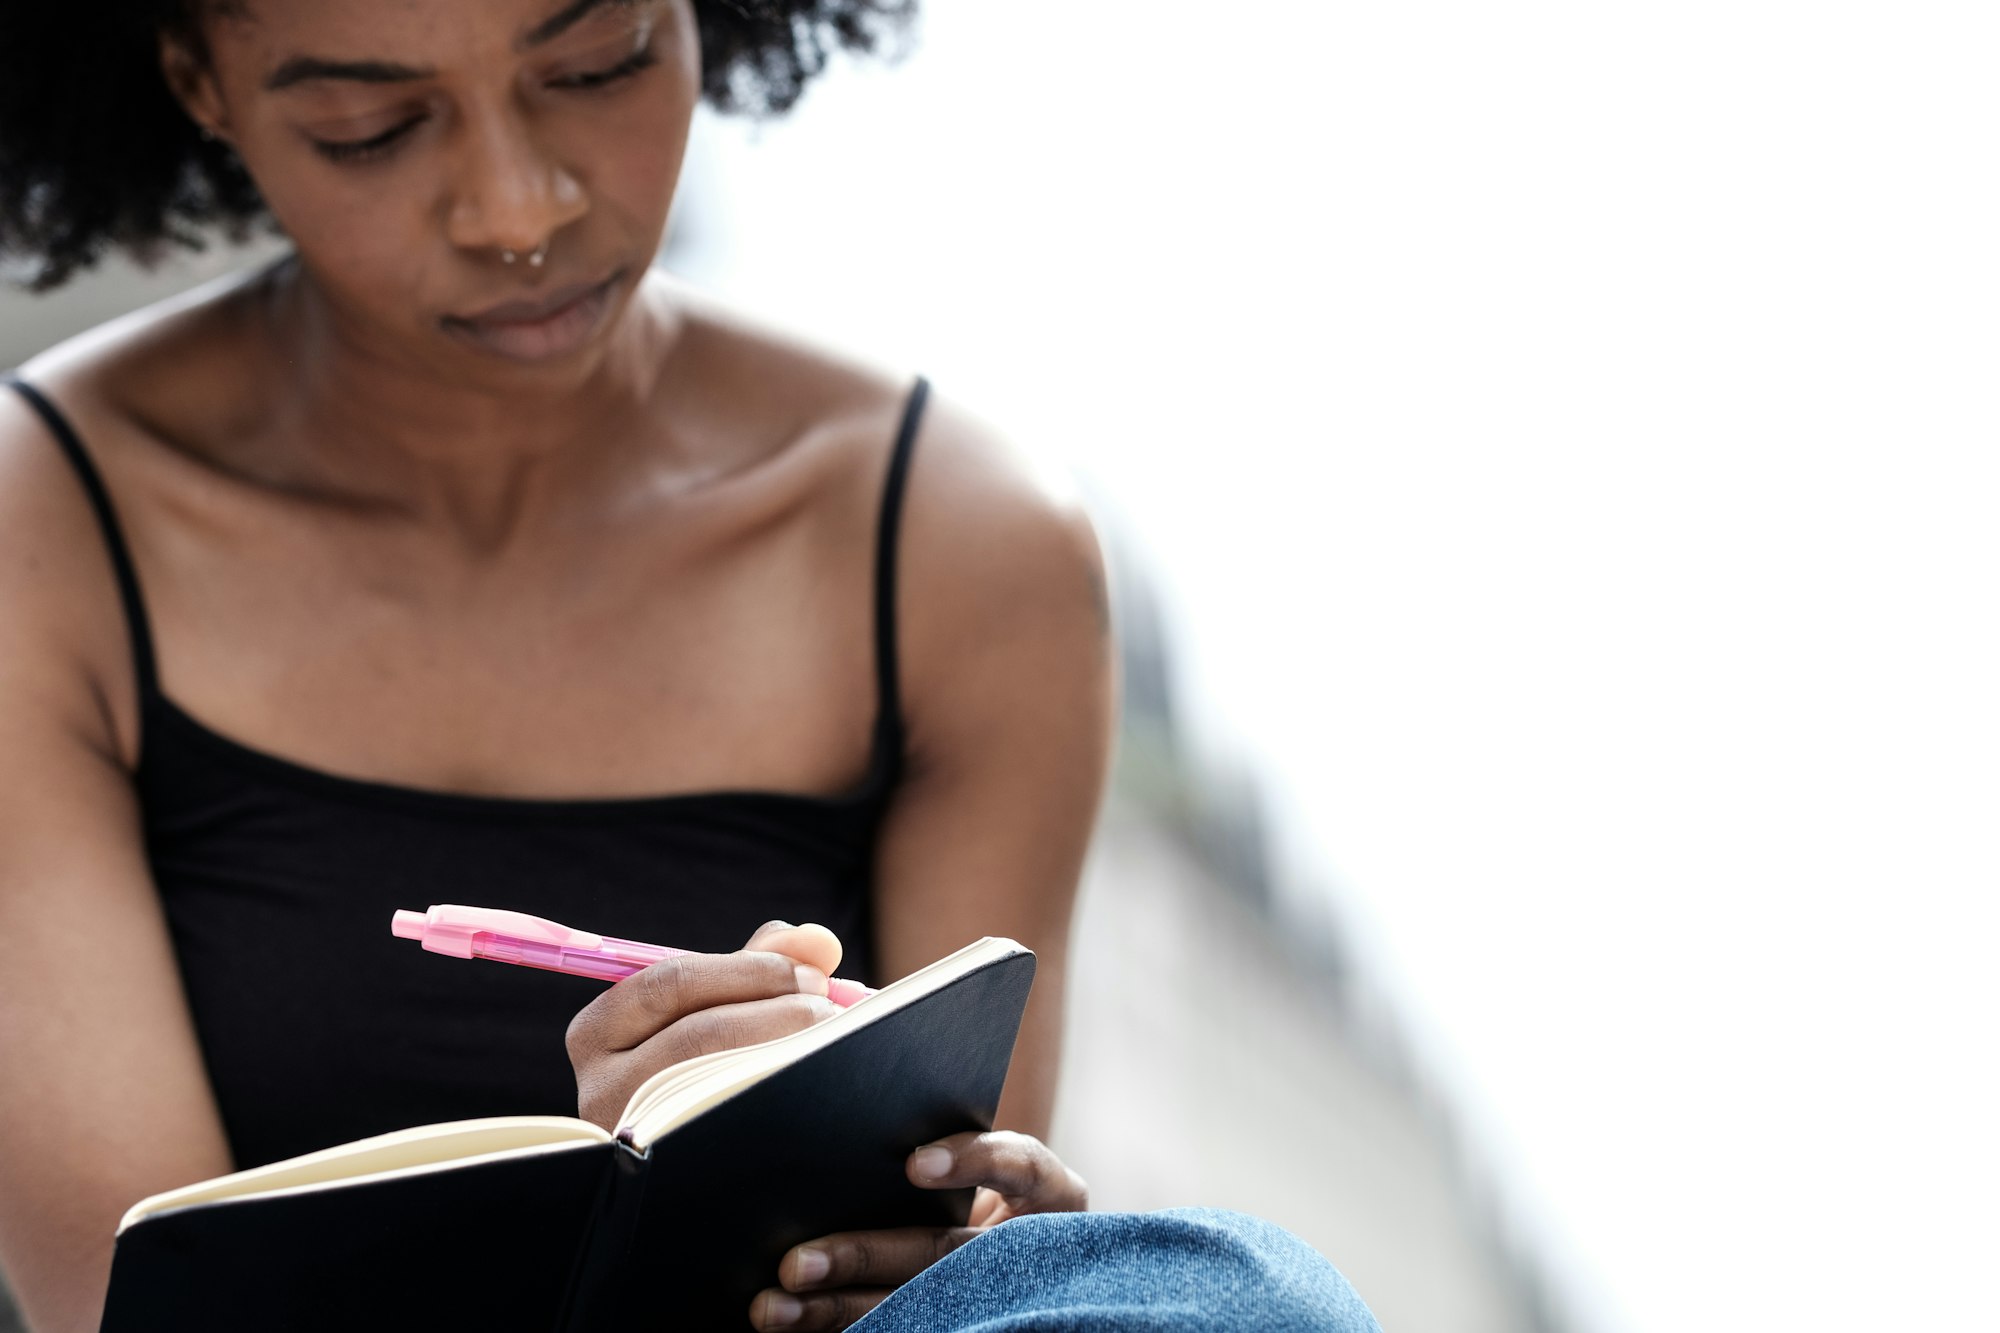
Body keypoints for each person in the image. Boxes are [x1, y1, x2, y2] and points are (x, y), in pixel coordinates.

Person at [0, 2, 1380, 1330]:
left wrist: (969, 1247)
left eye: (599, 64)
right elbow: (128, 1308)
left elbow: (944, 1217)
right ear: (196, 77)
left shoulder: (967, 549)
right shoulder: (42, 540)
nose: (517, 210)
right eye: (371, 127)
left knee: (1235, 1296)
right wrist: (605, 1230)